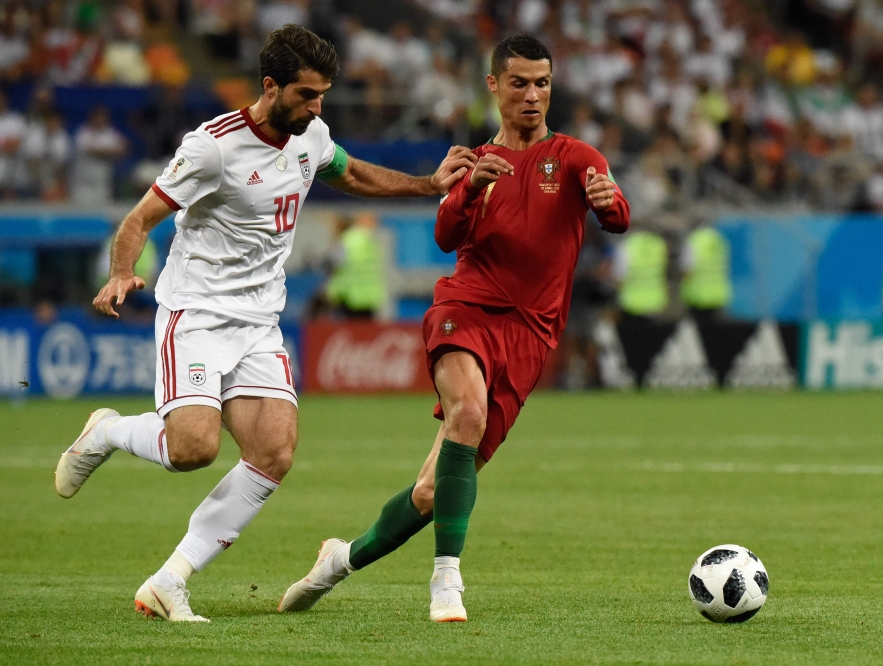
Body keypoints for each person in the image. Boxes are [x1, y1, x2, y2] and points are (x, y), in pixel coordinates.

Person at [53, 25, 475, 623]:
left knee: (274, 451)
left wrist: (427, 185)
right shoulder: (212, 147)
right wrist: (122, 272)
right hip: (197, 315)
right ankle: (107, 432)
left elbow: (351, 173)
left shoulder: (311, 136)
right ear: (270, 86)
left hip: (258, 322)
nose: (317, 107)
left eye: (323, 94)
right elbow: (139, 219)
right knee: (193, 449)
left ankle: (170, 580)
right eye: (306, 95)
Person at [279, 34, 630, 623]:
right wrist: (468, 188)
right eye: (519, 83)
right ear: (493, 86)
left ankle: (337, 561)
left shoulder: (576, 158)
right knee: (468, 411)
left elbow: (617, 217)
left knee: (430, 493)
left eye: (542, 83)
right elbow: (445, 237)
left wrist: (609, 199)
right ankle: (447, 579)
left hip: (531, 335)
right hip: (465, 309)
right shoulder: (471, 161)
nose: (532, 95)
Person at [325, 211, 386, 318]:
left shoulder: (346, 240)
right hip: (369, 297)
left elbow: (332, 264)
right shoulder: (369, 240)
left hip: (348, 296)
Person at [681, 224, 732, 323]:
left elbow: (687, 269)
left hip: (699, 295)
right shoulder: (719, 240)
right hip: (718, 294)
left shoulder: (694, 240)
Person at [614, 230, 669, 319]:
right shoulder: (659, 244)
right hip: (656, 301)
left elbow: (619, 277)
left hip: (631, 303)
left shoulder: (627, 246)